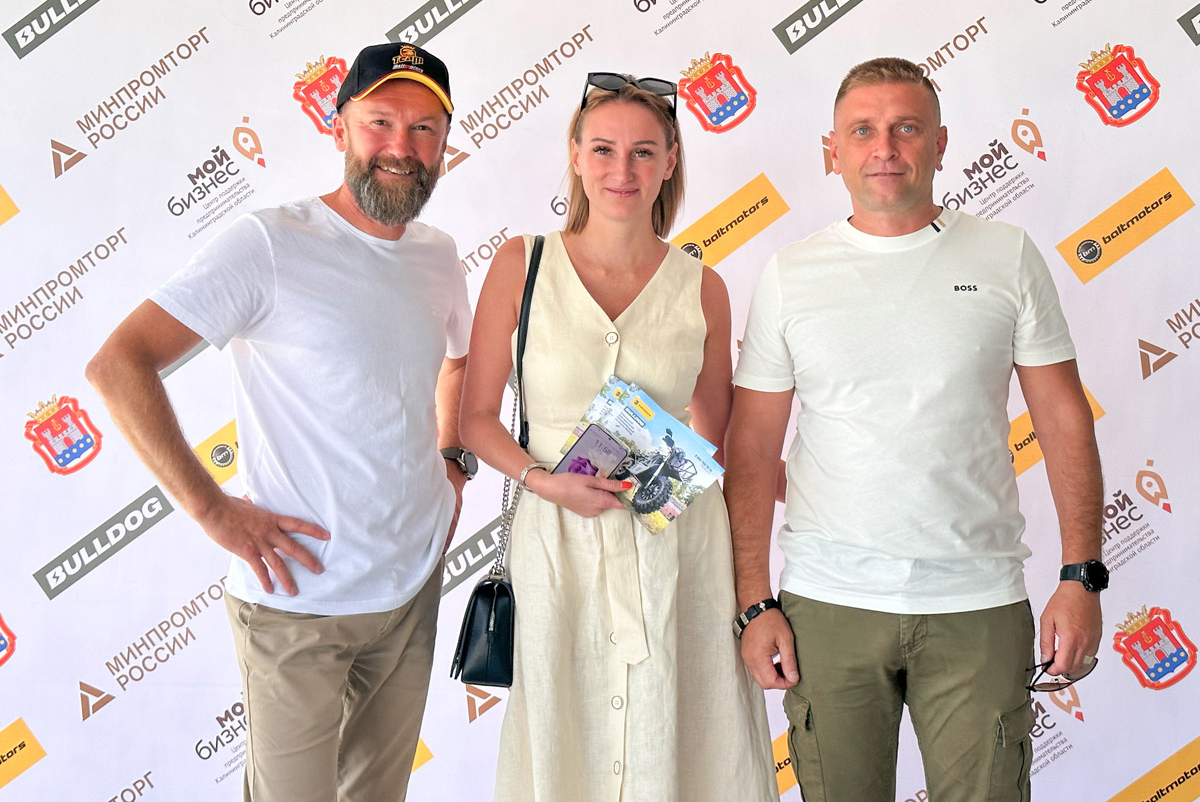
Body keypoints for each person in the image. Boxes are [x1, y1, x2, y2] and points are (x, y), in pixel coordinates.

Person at [86, 42, 473, 802]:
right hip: (297, 601)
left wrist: (452, 459)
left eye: (424, 128)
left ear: (444, 144)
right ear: (339, 127)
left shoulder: (438, 256)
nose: (401, 147)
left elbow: (456, 362)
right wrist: (213, 511)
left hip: (409, 591)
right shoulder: (270, 243)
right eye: (380, 122)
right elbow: (119, 365)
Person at [724, 57, 1105, 802]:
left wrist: (1081, 574)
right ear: (833, 151)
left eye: (906, 128)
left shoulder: (1007, 256)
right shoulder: (790, 275)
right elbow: (751, 449)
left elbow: (1063, 423)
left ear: (941, 143)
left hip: (977, 603)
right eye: (862, 131)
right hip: (828, 605)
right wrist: (754, 601)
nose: (885, 148)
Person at [459, 73, 776, 802]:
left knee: (686, 731)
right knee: (565, 731)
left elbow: (719, 440)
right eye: (603, 149)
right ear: (575, 155)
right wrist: (542, 482)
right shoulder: (522, 264)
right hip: (556, 541)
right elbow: (475, 418)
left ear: (670, 161)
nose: (621, 170)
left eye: (643, 151)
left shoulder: (703, 286)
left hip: (679, 549)